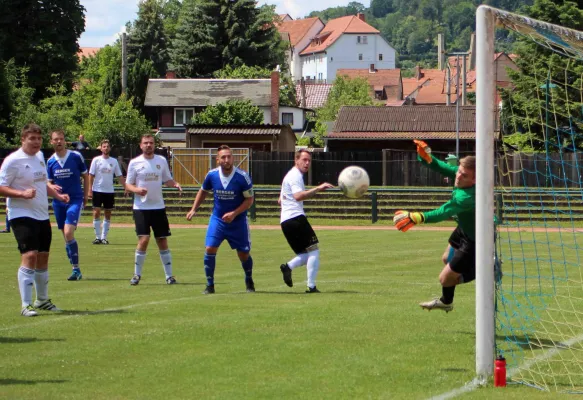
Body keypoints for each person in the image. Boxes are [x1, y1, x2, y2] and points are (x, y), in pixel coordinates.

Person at [393, 140, 476, 313]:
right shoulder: (464, 176)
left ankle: (489, 268)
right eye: (459, 172)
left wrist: (417, 217)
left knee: (445, 279)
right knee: (446, 258)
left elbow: (442, 212)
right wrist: (426, 158)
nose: (458, 176)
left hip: (476, 238)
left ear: (475, 180)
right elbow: (442, 167)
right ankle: (447, 302)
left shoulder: (467, 197)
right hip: (464, 228)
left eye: (464, 175)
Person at [0, 123, 70, 316]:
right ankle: (25, 304)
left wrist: (56, 195)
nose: (36, 142)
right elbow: (1, 187)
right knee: (29, 256)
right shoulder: (12, 161)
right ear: (23, 139)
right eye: (32, 138)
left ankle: (42, 300)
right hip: (21, 213)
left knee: (43, 257)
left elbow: (42, 182)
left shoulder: (40, 157)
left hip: (41, 214)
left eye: (39, 138)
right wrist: (21, 194)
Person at [186, 145, 255, 294]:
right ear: (217, 160)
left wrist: (234, 213)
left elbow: (249, 200)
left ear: (233, 158)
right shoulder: (211, 175)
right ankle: (210, 285)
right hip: (218, 219)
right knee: (210, 248)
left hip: (238, 221)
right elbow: (203, 191)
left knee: (243, 254)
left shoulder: (242, 177)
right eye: (223, 157)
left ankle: (248, 278)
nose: (226, 160)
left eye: (229, 156)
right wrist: (193, 209)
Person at [125, 134, 182, 285]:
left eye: (151, 143)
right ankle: (136, 275)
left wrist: (175, 184)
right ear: (140, 145)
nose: (148, 145)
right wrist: (136, 190)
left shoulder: (161, 161)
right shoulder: (134, 163)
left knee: (162, 240)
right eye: (146, 143)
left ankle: (169, 276)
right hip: (141, 207)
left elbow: (167, 179)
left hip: (158, 207)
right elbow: (128, 185)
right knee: (143, 239)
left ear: (154, 145)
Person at [278, 149, 334, 293]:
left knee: (305, 254)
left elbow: (280, 200)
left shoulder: (289, 175)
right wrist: (318, 189)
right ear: (296, 160)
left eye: (309, 160)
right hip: (296, 218)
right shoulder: (295, 176)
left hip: (285, 221)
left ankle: (288, 267)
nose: (307, 163)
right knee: (314, 250)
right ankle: (311, 286)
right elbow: (298, 196)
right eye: (304, 160)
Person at [47, 130, 90, 281]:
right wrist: (51, 188)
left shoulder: (75, 156)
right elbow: (48, 182)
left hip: (74, 200)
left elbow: (85, 175)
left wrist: (86, 195)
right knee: (65, 237)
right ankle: (75, 269)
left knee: (68, 232)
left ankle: (76, 269)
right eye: (56, 139)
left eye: (61, 139)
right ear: (51, 142)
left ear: (65, 141)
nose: (59, 142)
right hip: (58, 203)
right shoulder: (50, 161)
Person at [89, 140, 125, 244]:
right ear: (101, 148)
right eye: (104, 146)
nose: (106, 148)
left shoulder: (113, 161)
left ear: (110, 148)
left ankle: (104, 237)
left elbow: (119, 176)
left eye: (107, 146)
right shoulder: (96, 160)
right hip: (97, 190)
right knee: (96, 212)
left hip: (109, 191)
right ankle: (97, 237)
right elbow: (91, 175)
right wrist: (89, 190)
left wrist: (126, 187)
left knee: (108, 213)